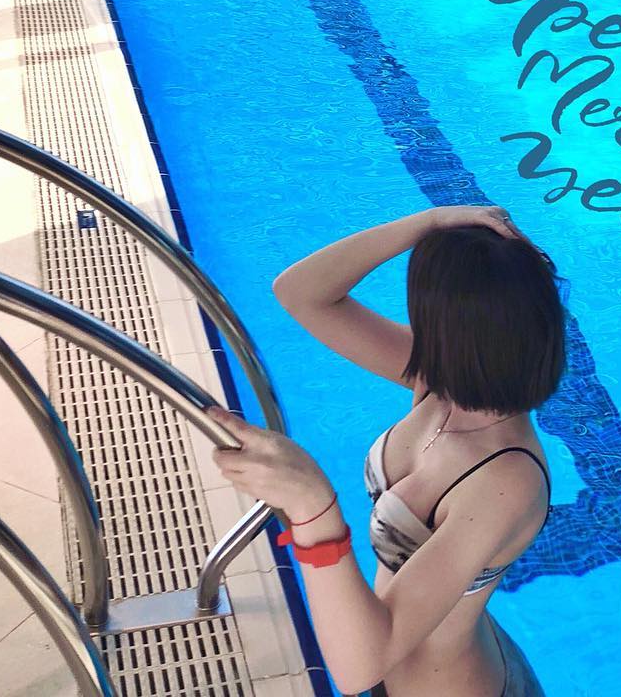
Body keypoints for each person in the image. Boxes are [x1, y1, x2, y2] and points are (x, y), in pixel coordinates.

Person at [210, 205, 564, 697]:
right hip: (397, 650)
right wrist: (429, 222)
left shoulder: (507, 481)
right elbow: (300, 293)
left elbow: (358, 670)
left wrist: (313, 507)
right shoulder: (439, 381)